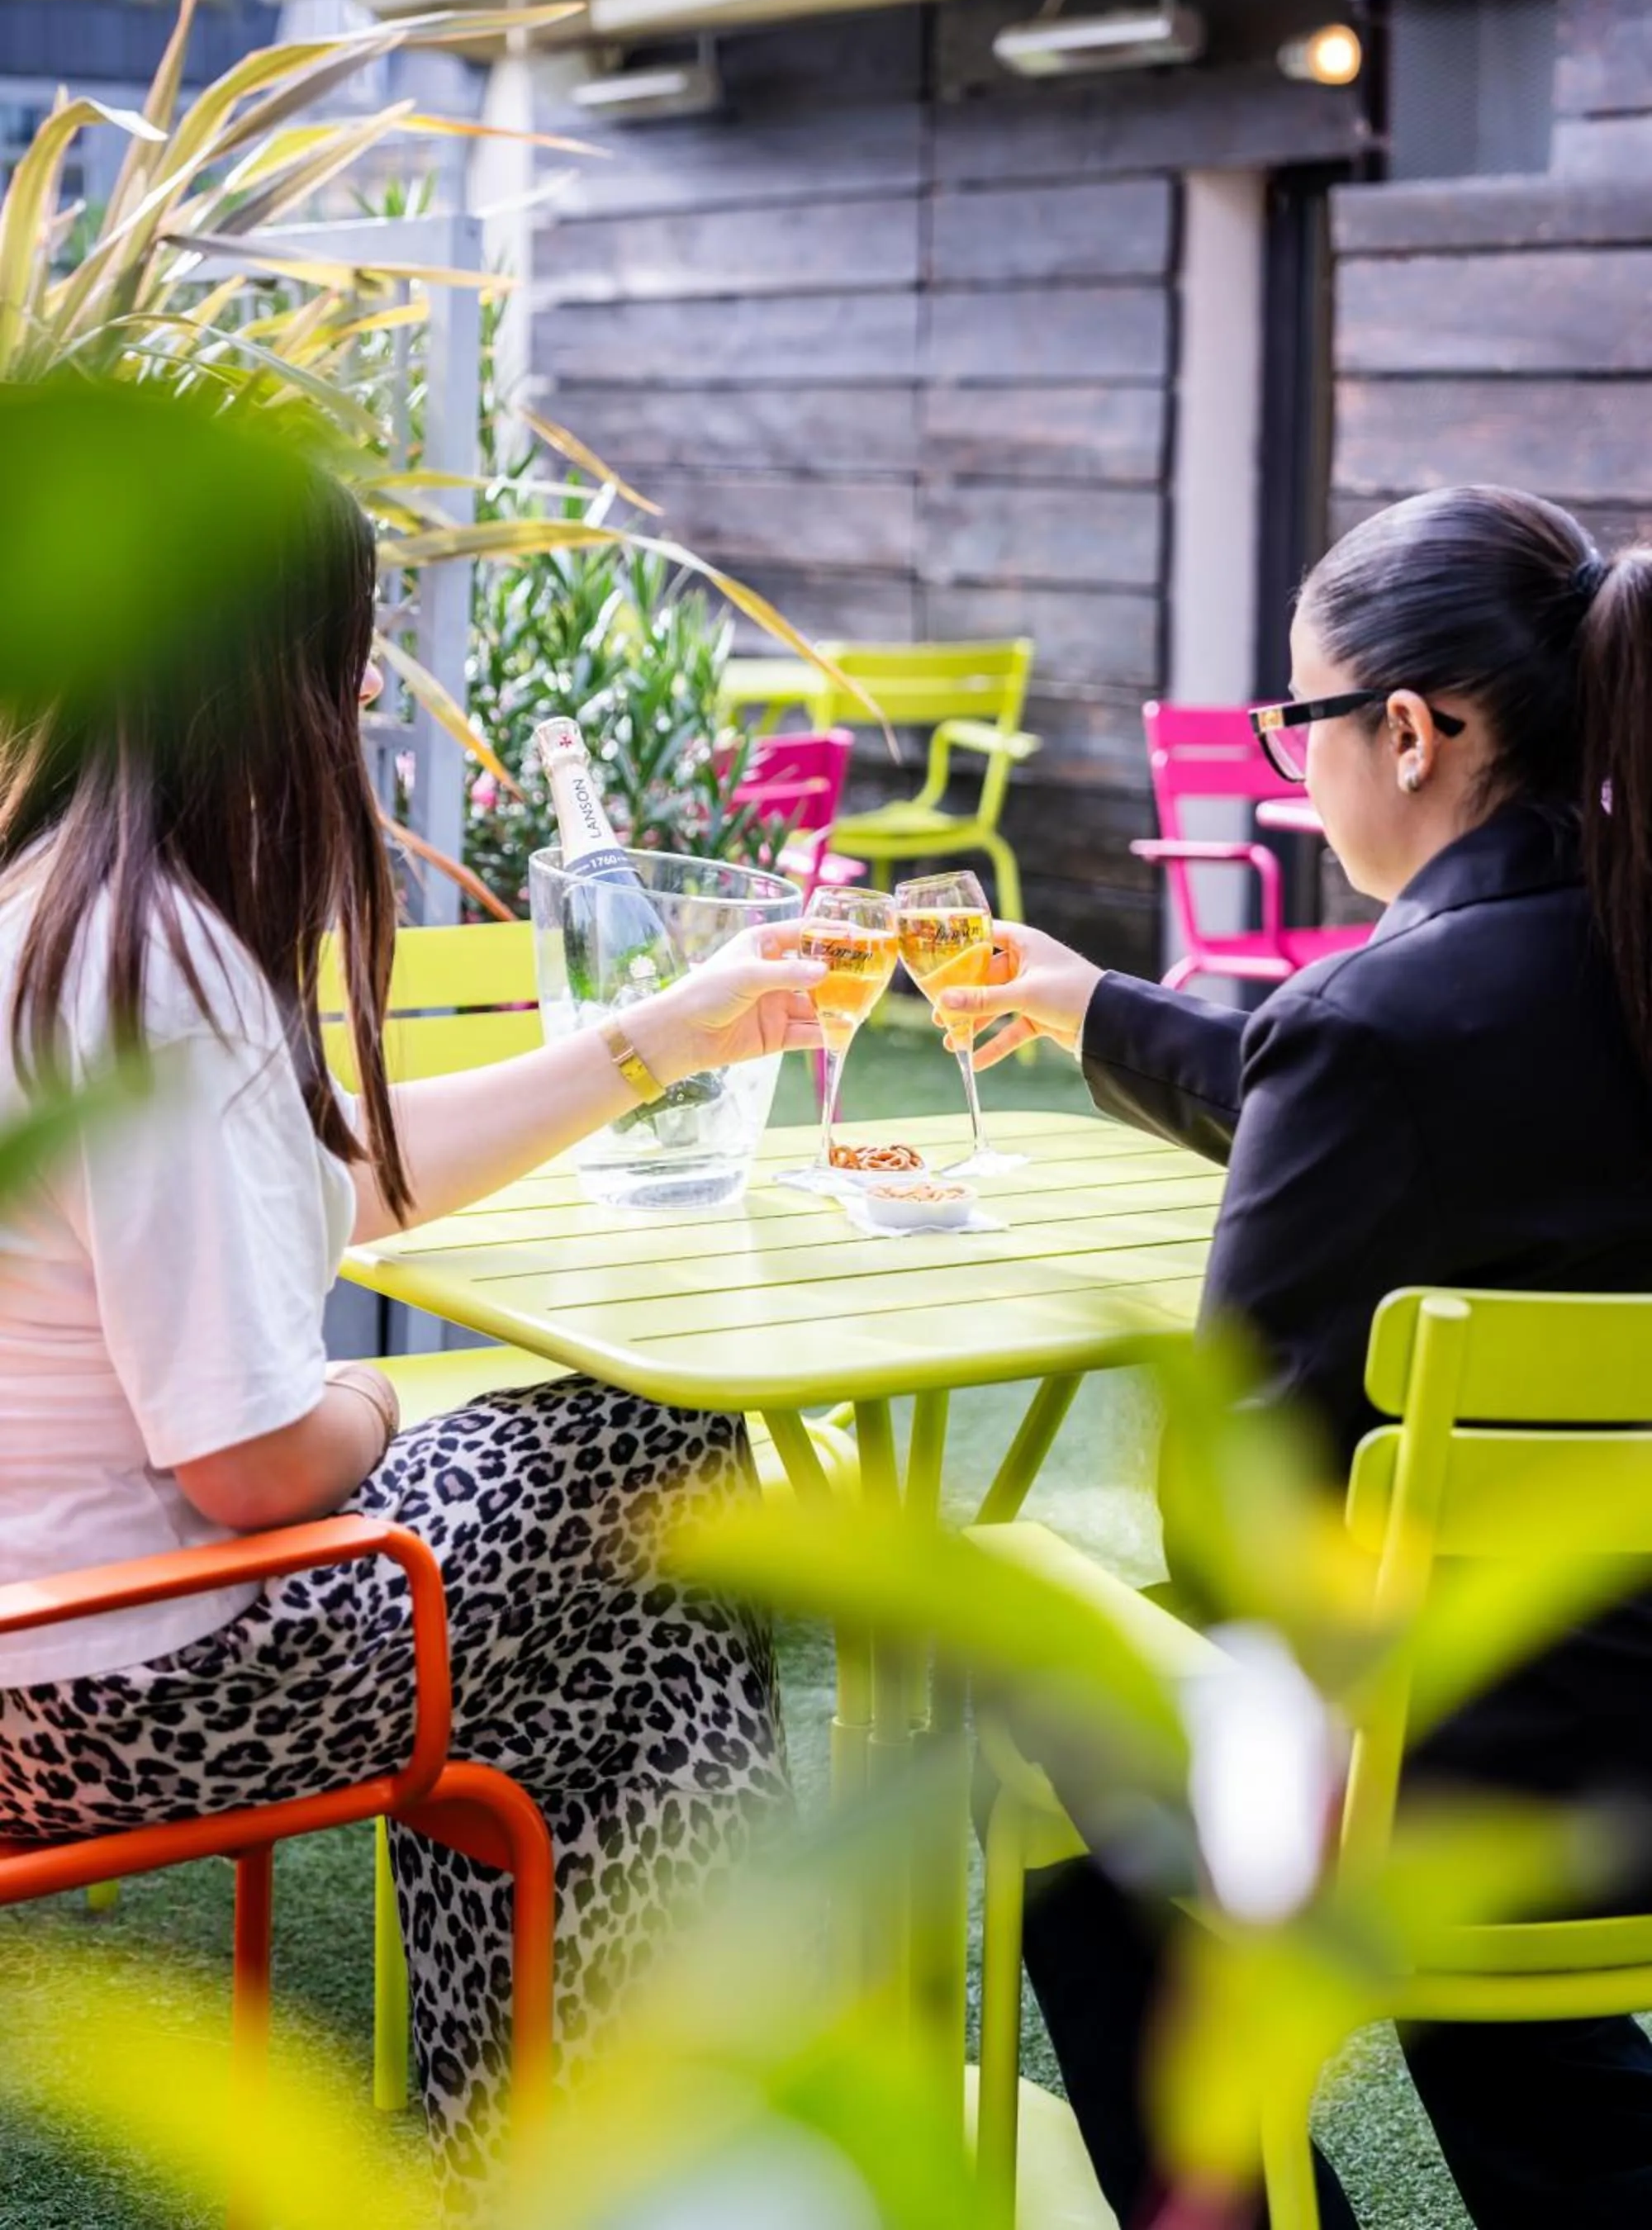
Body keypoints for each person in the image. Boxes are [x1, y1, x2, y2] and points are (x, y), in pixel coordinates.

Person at [0, 472, 825, 2202]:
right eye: (353, 647)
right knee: (659, 1451)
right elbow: (250, 1464)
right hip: (127, 1677)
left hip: (51, 1644)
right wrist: (372, 1405)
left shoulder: (62, 907)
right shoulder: (162, 968)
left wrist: (665, 1039)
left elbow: (338, 1175)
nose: (369, 688)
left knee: (600, 1660)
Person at [936, 486, 1652, 2230]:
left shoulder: (1384, 1030)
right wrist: (1087, 1003)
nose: (1288, 770)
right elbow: (1346, 1070)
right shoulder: (1603, 955)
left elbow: (1226, 1519)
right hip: (1625, 1755)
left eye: (1297, 721)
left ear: (1408, 731)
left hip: (1428, 1794)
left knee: (1018, 1658)